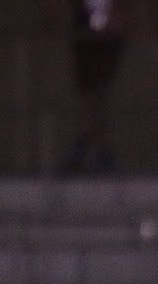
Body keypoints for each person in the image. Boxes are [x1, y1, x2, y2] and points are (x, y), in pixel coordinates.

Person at [57, 0, 127, 173]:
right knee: (91, 96)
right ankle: (92, 147)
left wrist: (114, 20)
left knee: (99, 96)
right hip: (87, 38)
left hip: (106, 40)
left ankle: (90, 147)